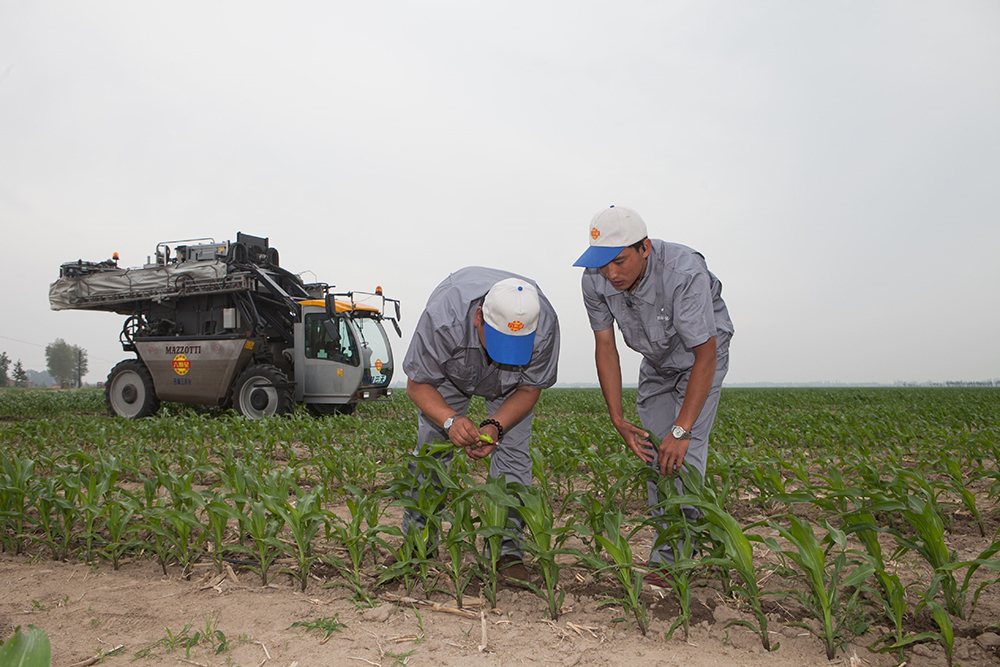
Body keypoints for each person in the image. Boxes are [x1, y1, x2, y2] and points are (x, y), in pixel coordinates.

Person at [573, 205, 733, 577]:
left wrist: (681, 430)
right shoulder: (594, 280)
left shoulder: (683, 272)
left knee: (682, 456)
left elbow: (705, 355)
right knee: (655, 458)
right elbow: (606, 347)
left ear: (645, 248)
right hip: (657, 361)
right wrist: (617, 418)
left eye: (620, 261)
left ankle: (681, 562)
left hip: (699, 361)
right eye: (602, 264)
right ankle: (668, 555)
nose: (611, 274)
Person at [392, 267, 561, 582]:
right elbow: (418, 385)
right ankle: (418, 545)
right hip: (449, 375)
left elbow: (529, 389)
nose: (505, 355)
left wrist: (496, 425)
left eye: (516, 346)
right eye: (499, 343)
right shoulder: (444, 317)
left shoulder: (545, 324)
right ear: (479, 317)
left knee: (513, 456)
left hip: (512, 388)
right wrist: (450, 420)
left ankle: (506, 551)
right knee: (431, 451)